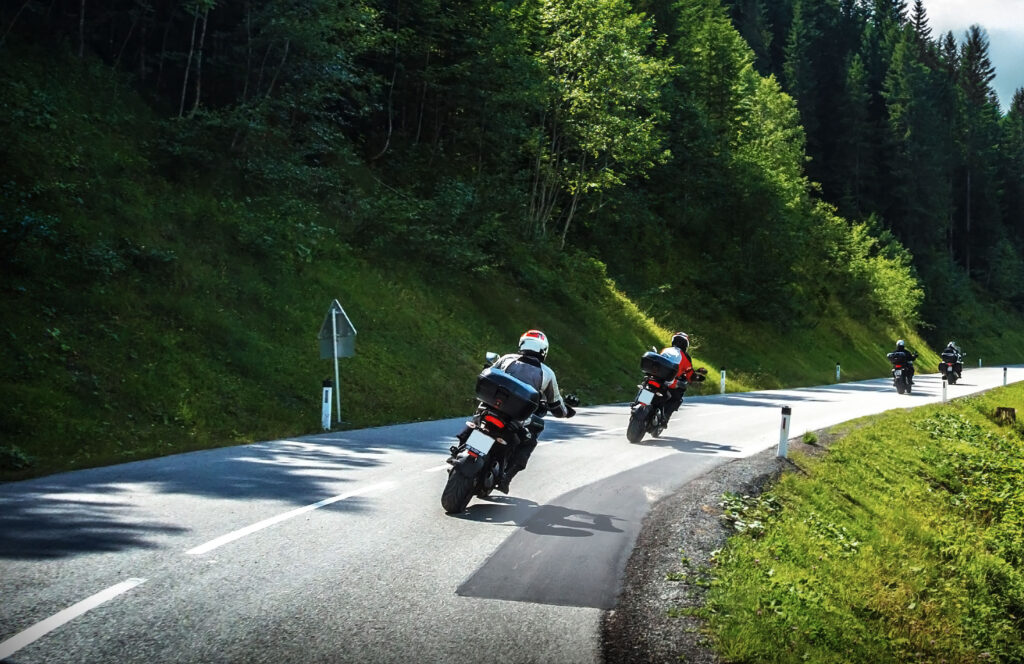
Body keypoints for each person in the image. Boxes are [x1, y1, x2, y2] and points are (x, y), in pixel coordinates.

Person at [490, 329, 576, 493]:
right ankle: (506, 478)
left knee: (476, 422)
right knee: (530, 441)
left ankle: (461, 448)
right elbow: (556, 404)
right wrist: (567, 412)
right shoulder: (547, 373)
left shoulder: (507, 358)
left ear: (522, 343)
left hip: (494, 407)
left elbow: (489, 373)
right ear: (543, 350)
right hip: (516, 416)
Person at [659, 332, 706, 424]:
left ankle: (639, 403)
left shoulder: (665, 350)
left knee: (646, 386)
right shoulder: (684, 357)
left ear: (673, 341)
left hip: (657, 376)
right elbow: (690, 375)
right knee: (677, 398)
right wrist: (697, 378)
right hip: (670, 381)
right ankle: (665, 417)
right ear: (686, 345)